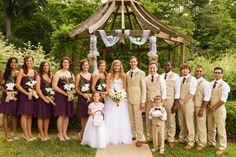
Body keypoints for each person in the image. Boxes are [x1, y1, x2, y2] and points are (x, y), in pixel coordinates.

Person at [105, 59, 132, 144]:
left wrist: (120, 96)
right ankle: (109, 137)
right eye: (115, 66)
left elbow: (125, 88)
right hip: (111, 99)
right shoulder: (109, 75)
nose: (117, 67)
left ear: (120, 66)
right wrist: (112, 96)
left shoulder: (123, 75)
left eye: (118, 66)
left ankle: (121, 136)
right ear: (113, 66)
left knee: (121, 117)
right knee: (111, 116)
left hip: (121, 99)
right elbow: (107, 87)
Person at [207, 67, 230, 155]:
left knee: (221, 129)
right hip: (210, 108)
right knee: (211, 127)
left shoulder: (224, 85)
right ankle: (211, 142)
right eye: (216, 72)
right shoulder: (210, 83)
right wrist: (209, 105)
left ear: (222, 74)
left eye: (219, 73)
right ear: (213, 73)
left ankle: (222, 147)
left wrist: (214, 107)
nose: (217, 74)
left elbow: (223, 99)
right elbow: (208, 95)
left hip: (219, 109)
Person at [52, 57, 75, 141]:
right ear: (62, 63)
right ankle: (60, 133)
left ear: (69, 64)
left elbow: (74, 87)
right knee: (61, 115)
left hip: (69, 97)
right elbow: (54, 86)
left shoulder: (71, 74)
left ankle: (65, 133)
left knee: (67, 116)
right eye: (64, 62)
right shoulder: (58, 73)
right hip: (60, 96)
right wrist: (65, 93)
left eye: (67, 62)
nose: (66, 64)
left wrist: (71, 93)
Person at [16, 55, 37, 141]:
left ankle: (29, 133)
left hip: (32, 95)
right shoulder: (22, 70)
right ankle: (25, 134)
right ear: (25, 62)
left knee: (30, 114)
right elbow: (17, 84)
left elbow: (37, 83)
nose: (29, 62)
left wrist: (33, 91)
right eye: (27, 61)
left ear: (33, 62)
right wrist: (26, 93)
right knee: (24, 114)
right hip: (24, 96)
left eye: (31, 61)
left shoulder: (35, 72)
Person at [126, 56, 146, 147]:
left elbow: (144, 88)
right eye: (131, 62)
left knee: (138, 119)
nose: (133, 63)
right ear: (129, 63)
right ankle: (133, 135)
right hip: (128, 98)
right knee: (131, 118)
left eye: (134, 62)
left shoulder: (141, 73)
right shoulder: (127, 73)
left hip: (138, 99)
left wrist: (143, 101)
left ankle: (140, 138)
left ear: (137, 62)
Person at [161, 61, 180, 148]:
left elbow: (177, 91)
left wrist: (175, 104)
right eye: (165, 65)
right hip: (161, 100)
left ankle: (171, 139)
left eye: (168, 65)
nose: (167, 66)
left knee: (171, 120)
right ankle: (164, 137)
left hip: (170, 100)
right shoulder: (161, 76)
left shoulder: (175, 76)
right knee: (163, 119)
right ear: (163, 66)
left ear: (171, 66)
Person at [145, 62, 166, 143]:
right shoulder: (146, 78)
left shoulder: (160, 78)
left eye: (154, 68)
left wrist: (162, 103)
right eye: (151, 68)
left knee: (158, 121)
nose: (152, 69)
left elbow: (163, 91)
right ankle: (150, 137)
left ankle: (158, 138)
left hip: (158, 102)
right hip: (148, 101)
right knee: (148, 120)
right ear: (149, 69)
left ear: (157, 69)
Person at [178, 64, 197, 149]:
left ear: (189, 70)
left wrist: (183, 101)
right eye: (183, 69)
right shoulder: (180, 79)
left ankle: (190, 141)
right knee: (182, 122)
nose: (184, 71)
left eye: (186, 69)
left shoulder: (193, 79)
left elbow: (192, 93)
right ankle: (182, 138)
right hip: (180, 102)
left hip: (188, 103)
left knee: (189, 122)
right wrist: (179, 100)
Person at [0, 57, 19, 141]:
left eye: (15, 62)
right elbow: (0, 85)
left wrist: (16, 92)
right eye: (11, 62)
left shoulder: (18, 73)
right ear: (9, 63)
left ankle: (14, 133)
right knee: (6, 114)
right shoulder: (5, 73)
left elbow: (20, 84)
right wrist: (6, 91)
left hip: (15, 95)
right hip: (6, 96)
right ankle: (7, 133)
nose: (13, 64)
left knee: (14, 114)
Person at [35, 61, 54, 141]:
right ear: (42, 67)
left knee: (47, 117)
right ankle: (41, 133)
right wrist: (44, 98)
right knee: (41, 117)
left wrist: (51, 96)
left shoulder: (51, 76)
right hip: (41, 99)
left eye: (47, 65)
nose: (46, 67)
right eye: (44, 65)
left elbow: (53, 88)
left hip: (49, 99)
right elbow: (38, 89)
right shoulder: (39, 76)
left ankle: (46, 132)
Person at [193, 65, 211, 150]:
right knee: (194, 124)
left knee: (201, 125)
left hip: (200, 106)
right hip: (192, 106)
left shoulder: (205, 83)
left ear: (203, 72)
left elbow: (207, 97)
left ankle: (202, 142)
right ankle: (196, 140)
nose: (198, 72)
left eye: (200, 71)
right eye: (197, 71)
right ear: (194, 71)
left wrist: (202, 109)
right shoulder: (192, 81)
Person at [75, 59, 92, 140]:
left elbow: (93, 87)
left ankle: (87, 134)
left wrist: (91, 95)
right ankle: (83, 134)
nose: (85, 66)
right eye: (84, 65)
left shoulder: (91, 75)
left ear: (88, 66)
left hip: (91, 99)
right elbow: (76, 88)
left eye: (86, 65)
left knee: (89, 117)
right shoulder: (78, 75)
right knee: (83, 117)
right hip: (82, 99)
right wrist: (83, 94)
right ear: (81, 66)